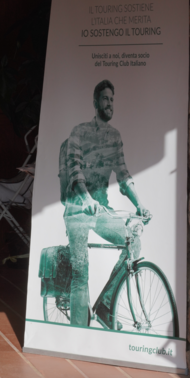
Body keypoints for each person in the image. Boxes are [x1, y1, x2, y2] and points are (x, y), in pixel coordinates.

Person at [60, 80, 151, 327]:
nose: (110, 103)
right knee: (81, 273)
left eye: (112, 99)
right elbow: (74, 170)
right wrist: (86, 199)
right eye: (105, 99)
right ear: (95, 102)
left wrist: (140, 204)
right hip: (78, 210)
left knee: (133, 242)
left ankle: (105, 306)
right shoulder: (79, 132)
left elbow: (123, 174)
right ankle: (78, 334)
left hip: (101, 210)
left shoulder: (115, 137)